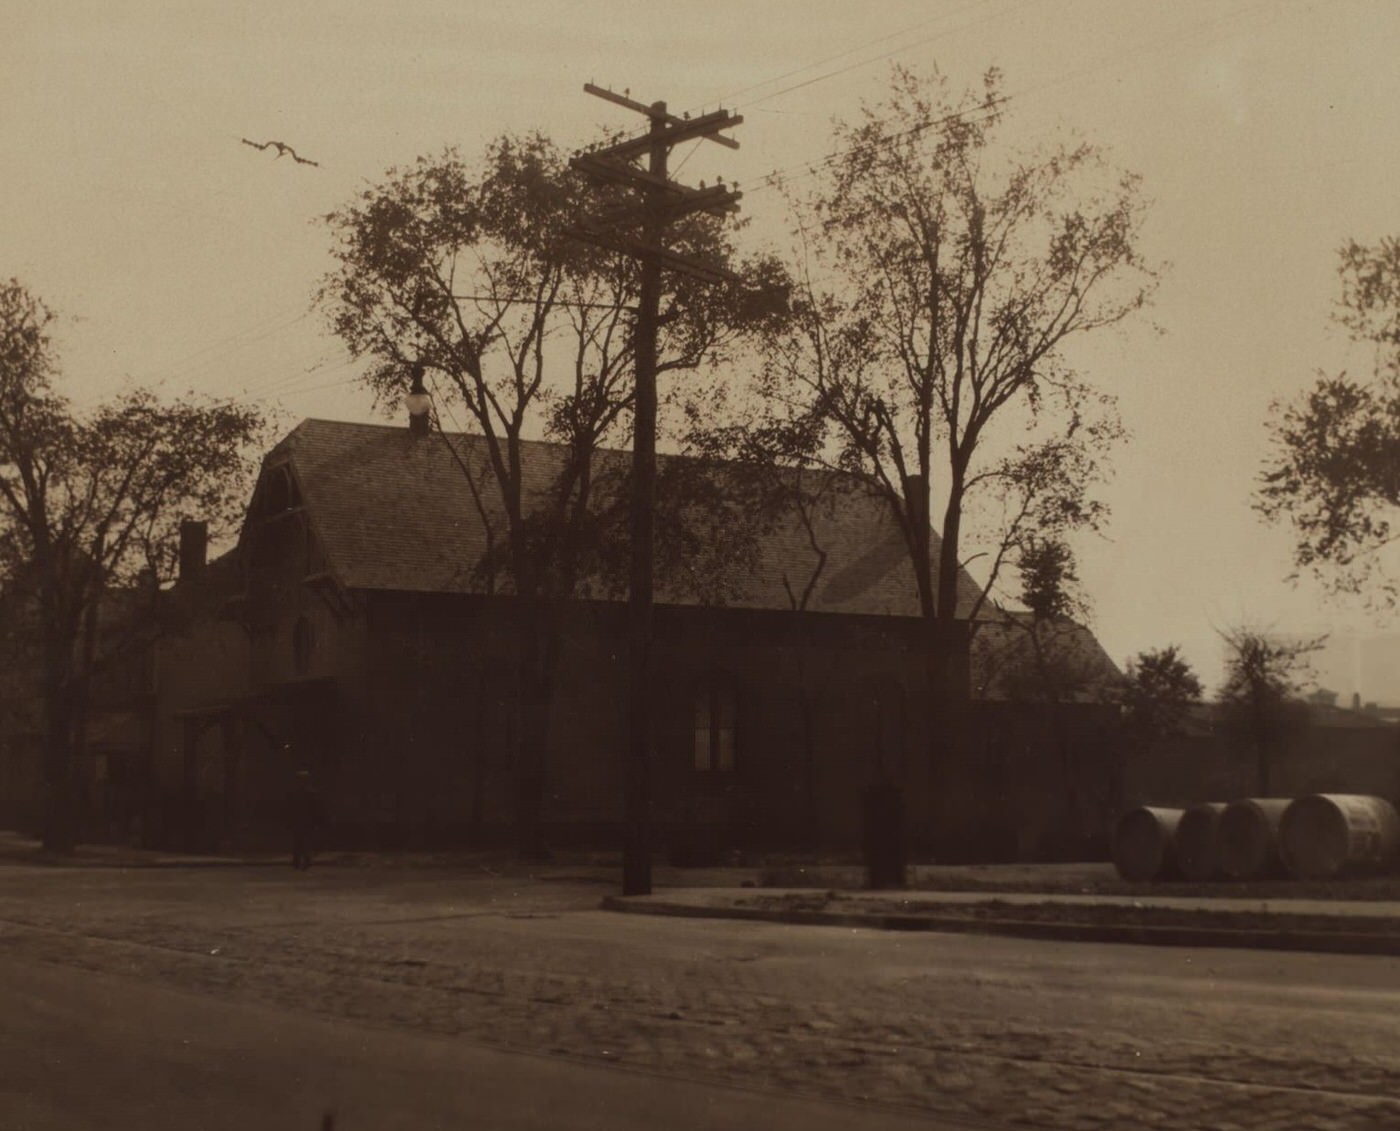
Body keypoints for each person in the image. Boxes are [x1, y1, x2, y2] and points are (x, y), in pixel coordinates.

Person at [287, 770, 321, 870]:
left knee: (300, 841)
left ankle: (299, 861)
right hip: (305, 820)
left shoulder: (295, 793)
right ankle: (303, 860)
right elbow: (315, 808)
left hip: (302, 820)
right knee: (303, 841)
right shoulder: (310, 793)